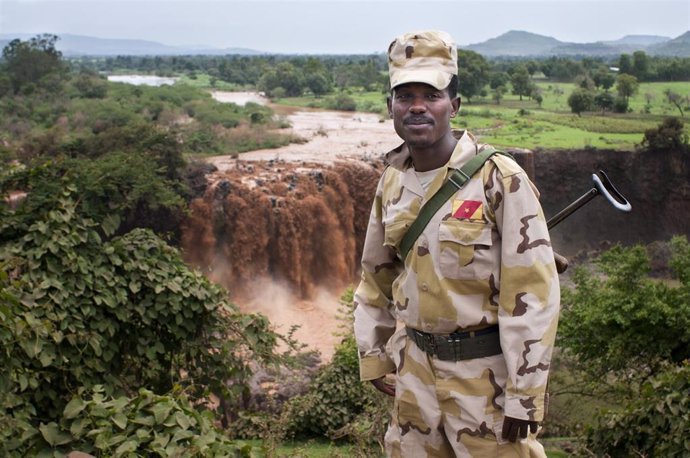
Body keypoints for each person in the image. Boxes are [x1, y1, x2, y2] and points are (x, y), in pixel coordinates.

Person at [353, 30, 560, 457]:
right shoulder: (392, 181)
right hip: (413, 379)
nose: (416, 106)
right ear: (389, 106)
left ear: (454, 105)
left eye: (431, 94)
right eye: (404, 95)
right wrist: (372, 355)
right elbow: (376, 276)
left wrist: (525, 394)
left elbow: (533, 295)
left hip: (485, 383)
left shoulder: (499, 179)